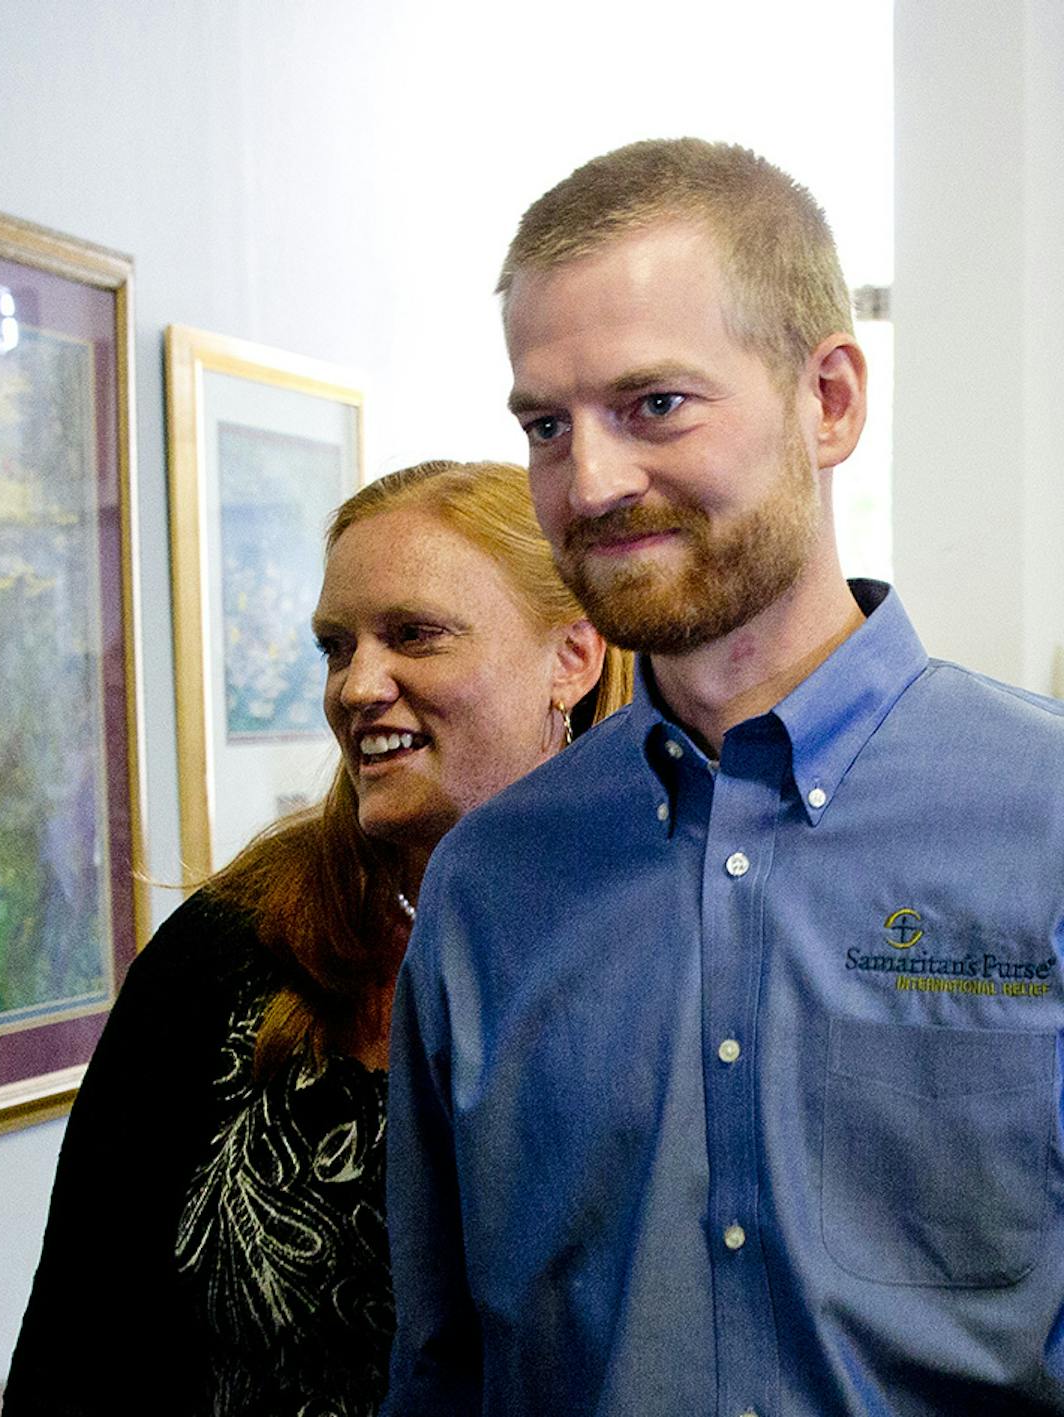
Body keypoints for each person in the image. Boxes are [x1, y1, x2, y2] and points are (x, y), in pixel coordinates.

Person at [385, 139, 1064, 1414]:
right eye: (546, 425)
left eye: (655, 405)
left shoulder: (1046, 824)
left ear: (831, 401)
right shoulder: (490, 883)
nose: (589, 484)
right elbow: (439, 1368)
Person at [3, 459, 627, 1416]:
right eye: (338, 648)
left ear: (572, 657)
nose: (358, 686)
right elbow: (77, 1344)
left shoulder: (665, 942)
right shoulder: (227, 953)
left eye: (414, 635)